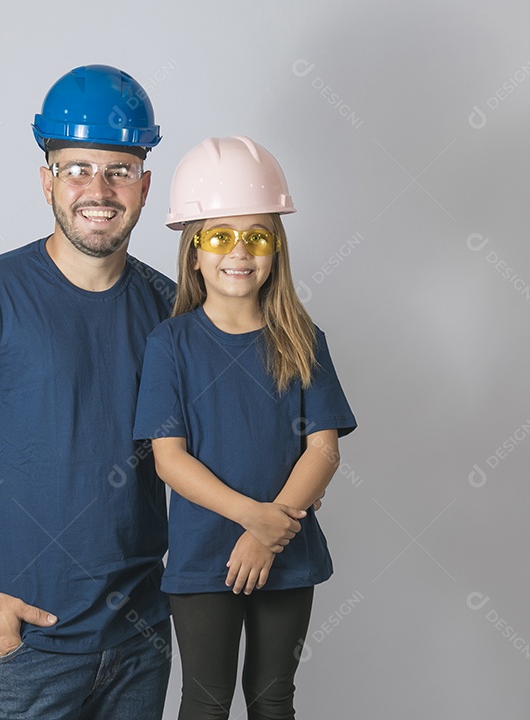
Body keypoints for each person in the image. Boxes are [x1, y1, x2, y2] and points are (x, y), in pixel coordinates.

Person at [0, 64, 177, 720]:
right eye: (76, 168)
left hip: (140, 645)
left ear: (144, 184)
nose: (97, 189)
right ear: (46, 180)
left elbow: (202, 452)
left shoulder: (170, 306)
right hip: (26, 655)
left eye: (119, 170)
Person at [133, 136, 357, 720]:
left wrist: (267, 533)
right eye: (220, 237)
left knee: (272, 697)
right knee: (205, 700)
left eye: (257, 236)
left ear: (276, 250)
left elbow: (323, 451)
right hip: (203, 558)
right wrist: (250, 518)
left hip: (286, 552)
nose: (240, 252)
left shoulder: (303, 340)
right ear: (195, 252)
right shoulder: (171, 345)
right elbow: (168, 459)